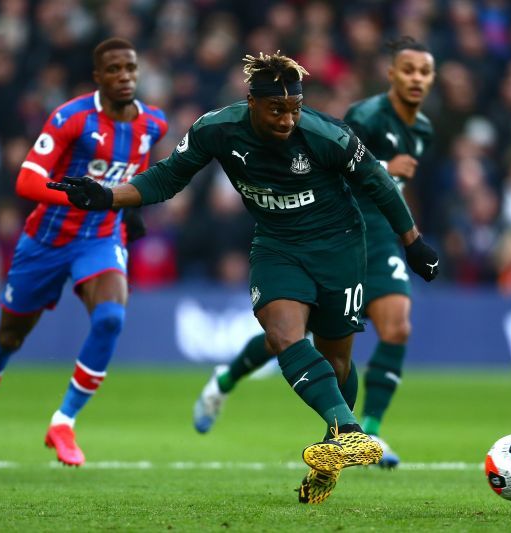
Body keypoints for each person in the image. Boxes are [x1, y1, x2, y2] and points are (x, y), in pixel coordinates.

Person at [48, 51, 439, 504]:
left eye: (294, 108)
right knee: (282, 334)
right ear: (251, 101)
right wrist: (106, 196)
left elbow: (377, 181)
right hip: (277, 246)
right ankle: (348, 431)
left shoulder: (326, 134)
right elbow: (167, 178)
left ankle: (333, 455)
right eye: (277, 109)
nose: (287, 119)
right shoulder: (217, 129)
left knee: (337, 365)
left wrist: (413, 243)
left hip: (340, 248)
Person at [192, 37, 435, 469]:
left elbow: (385, 187)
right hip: (328, 232)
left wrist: (408, 234)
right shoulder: (365, 116)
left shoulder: (423, 131)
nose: (417, 79)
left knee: (391, 329)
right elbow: (356, 170)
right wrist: (384, 168)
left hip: (365, 238)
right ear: (392, 74)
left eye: (425, 71)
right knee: (285, 337)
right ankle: (225, 381)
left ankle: (366, 433)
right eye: (409, 69)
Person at [0, 38, 168, 470]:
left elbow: (133, 176)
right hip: (46, 242)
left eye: (131, 68)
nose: (125, 76)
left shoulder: (154, 125)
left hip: (101, 239)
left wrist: (129, 206)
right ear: (98, 77)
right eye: (115, 69)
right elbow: (26, 182)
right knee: (9, 337)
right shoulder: (72, 118)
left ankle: (64, 422)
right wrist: (79, 197)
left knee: (110, 318)